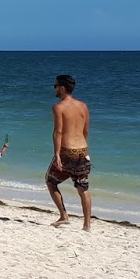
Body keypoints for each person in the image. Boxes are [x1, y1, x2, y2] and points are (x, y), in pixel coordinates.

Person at [46, 74, 92, 230]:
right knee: (83, 188)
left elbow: (58, 132)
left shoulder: (58, 107)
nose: (54, 89)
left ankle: (64, 216)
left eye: (55, 86)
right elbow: (86, 131)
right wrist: (83, 148)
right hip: (83, 151)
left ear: (62, 88)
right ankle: (87, 225)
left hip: (67, 151)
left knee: (51, 181)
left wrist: (57, 154)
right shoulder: (83, 106)